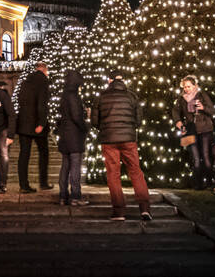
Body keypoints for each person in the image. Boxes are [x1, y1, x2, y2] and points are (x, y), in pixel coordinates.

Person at [91, 69, 152, 221]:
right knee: (136, 172)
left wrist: (105, 128)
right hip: (128, 139)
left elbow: (94, 121)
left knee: (113, 174)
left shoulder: (101, 97)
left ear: (109, 80)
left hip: (109, 140)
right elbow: (138, 120)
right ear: (122, 80)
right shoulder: (132, 96)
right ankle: (144, 208)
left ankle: (119, 211)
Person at [171, 75, 215, 190]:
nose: (186, 89)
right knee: (195, 159)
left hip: (205, 129)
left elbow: (212, 110)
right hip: (191, 130)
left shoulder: (202, 95)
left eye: (189, 86)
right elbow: (175, 112)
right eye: (185, 87)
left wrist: (203, 108)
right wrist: (179, 123)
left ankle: (211, 183)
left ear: (194, 86)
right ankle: (198, 185)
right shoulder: (181, 98)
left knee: (206, 157)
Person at [16, 62, 52, 192]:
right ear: (44, 70)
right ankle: (43, 182)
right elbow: (42, 103)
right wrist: (41, 123)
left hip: (23, 123)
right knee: (44, 152)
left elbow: (19, 99)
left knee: (24, 154)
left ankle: (23, 185)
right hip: (36, 123)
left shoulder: (26, 81)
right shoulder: (43, 81)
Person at [56, 69, 89, 206]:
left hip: (64, 135)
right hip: (74, 136)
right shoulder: (73, 96)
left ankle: (63, 196)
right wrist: (85, 125)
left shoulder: (64, 95)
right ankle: (75, 196)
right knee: (75, 167)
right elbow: (76, 117)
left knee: (65, 166)